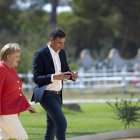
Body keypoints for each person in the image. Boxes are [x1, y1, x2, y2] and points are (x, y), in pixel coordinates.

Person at [31, 27, 78, 140]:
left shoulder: (62, 53)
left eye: (63, 43)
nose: (61, 45)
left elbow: (65, 70)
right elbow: (37, 78)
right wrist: (54, 77)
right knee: (62, 124)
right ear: (51, 40)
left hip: (58, 94)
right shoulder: (40, 54)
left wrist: (72, 76)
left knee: (51, 127)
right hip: (45, 94)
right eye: (59, 43)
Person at [0, 43, 36, 140]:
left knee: (4, 137)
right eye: (16, 56)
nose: (19, 59)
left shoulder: (12, 69)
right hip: (5, 113)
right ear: (8, 56)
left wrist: (27, 105)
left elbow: (17, 91)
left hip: (10, 112)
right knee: (22, 137)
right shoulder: (1, 69)